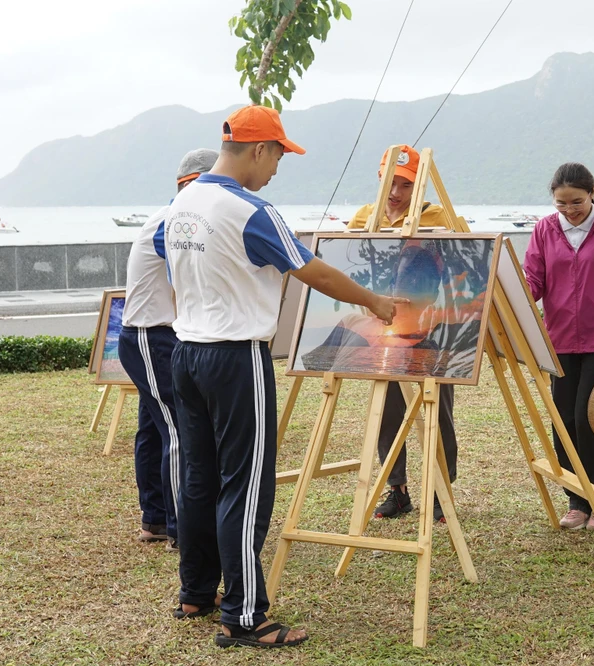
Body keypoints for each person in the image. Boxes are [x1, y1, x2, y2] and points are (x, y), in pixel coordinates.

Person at [164, 105, 405, 649]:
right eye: (278, 156)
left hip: (187, 352)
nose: (276, 168)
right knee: (246, 486)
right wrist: (373, 300)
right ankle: (244, 616)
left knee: (201, 479)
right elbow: (312, 270)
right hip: (234, 357)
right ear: (258, 150)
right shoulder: (252, 209)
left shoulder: (184, 201)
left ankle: (195, 591)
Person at [348, 145, 457, 523]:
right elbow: (349, 269)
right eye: (390, 183)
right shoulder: (363, 217)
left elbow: (464, 263)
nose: (396, 192)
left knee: (437, 413)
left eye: (406, 185)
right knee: (387, 411)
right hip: (383, 332)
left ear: (419, 187)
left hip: (431, 330)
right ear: (379, 180)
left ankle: (442, 495)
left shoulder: (438, 216)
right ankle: (397, 491)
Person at [118, 148, 217, 551]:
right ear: (195, 183)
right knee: (177, 431)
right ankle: (182, 528)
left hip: (153, 335)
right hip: (151, 336)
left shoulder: (169, 216)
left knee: (153, 430)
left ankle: (156, 519)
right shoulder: (176, 220)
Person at [523, 163, 594, 531]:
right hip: (560, 340)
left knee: (592, 421)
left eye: (577, 202)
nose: (569, 210)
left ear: (592, 194)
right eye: (561, 204)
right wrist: (510, 299)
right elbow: (533, 279)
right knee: (565, 422)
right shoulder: (543, 229)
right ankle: (577, 500)